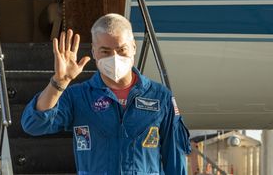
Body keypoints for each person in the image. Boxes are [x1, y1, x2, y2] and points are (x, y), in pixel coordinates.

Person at [21, 13, 191, 174]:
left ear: (133, 48)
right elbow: (33, 125)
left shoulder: (160, 97)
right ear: (94, 52)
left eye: (122, 49)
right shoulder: (78, 97)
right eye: (105, 51)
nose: (115, 57)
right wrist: (59, 82)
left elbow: (175, 160)